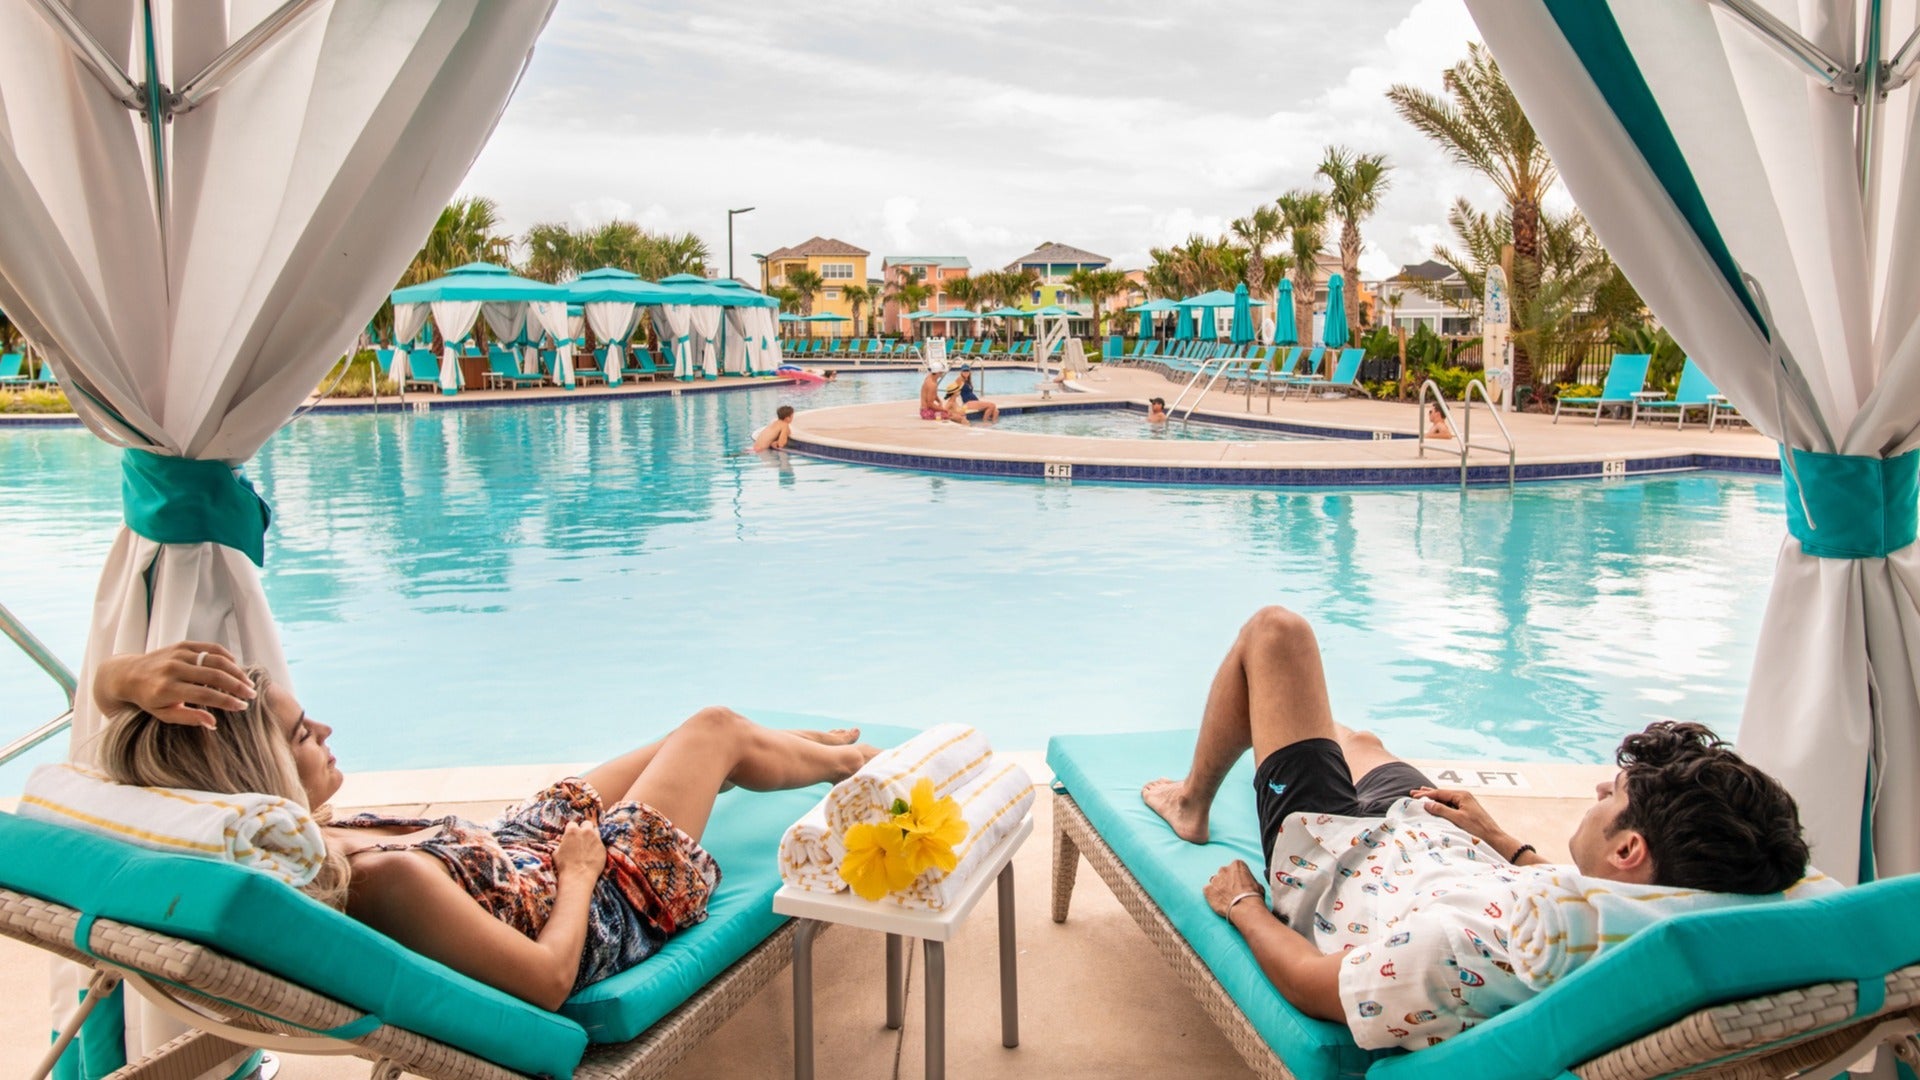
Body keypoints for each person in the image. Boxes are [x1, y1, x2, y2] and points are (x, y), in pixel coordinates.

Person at [1143, 607, 1810, 1052]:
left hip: (1339, 848)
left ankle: (1192, 803)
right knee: (1358, 736)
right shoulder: (1648, 919)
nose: (1601, 788)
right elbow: (1588, 905)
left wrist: (1242, 903)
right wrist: (1501, 841)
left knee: (1275, 635)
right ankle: (1306, 746)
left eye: (1616, 794)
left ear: (1630, 848)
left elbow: (1312, 984)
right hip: (1434, 833)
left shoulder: (1448, 956)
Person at [92, 641, 878, 1011]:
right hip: (601, 902)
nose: (324, 730)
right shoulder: (379, 879)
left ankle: (808, 748)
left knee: (695, 730)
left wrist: (118, 679)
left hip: (518, 850)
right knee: (713, 731)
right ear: (254, 776)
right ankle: (851, 766)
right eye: (300, 736)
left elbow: (121, 765)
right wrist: (580, 873)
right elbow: (545, 981)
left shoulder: (294, 838)